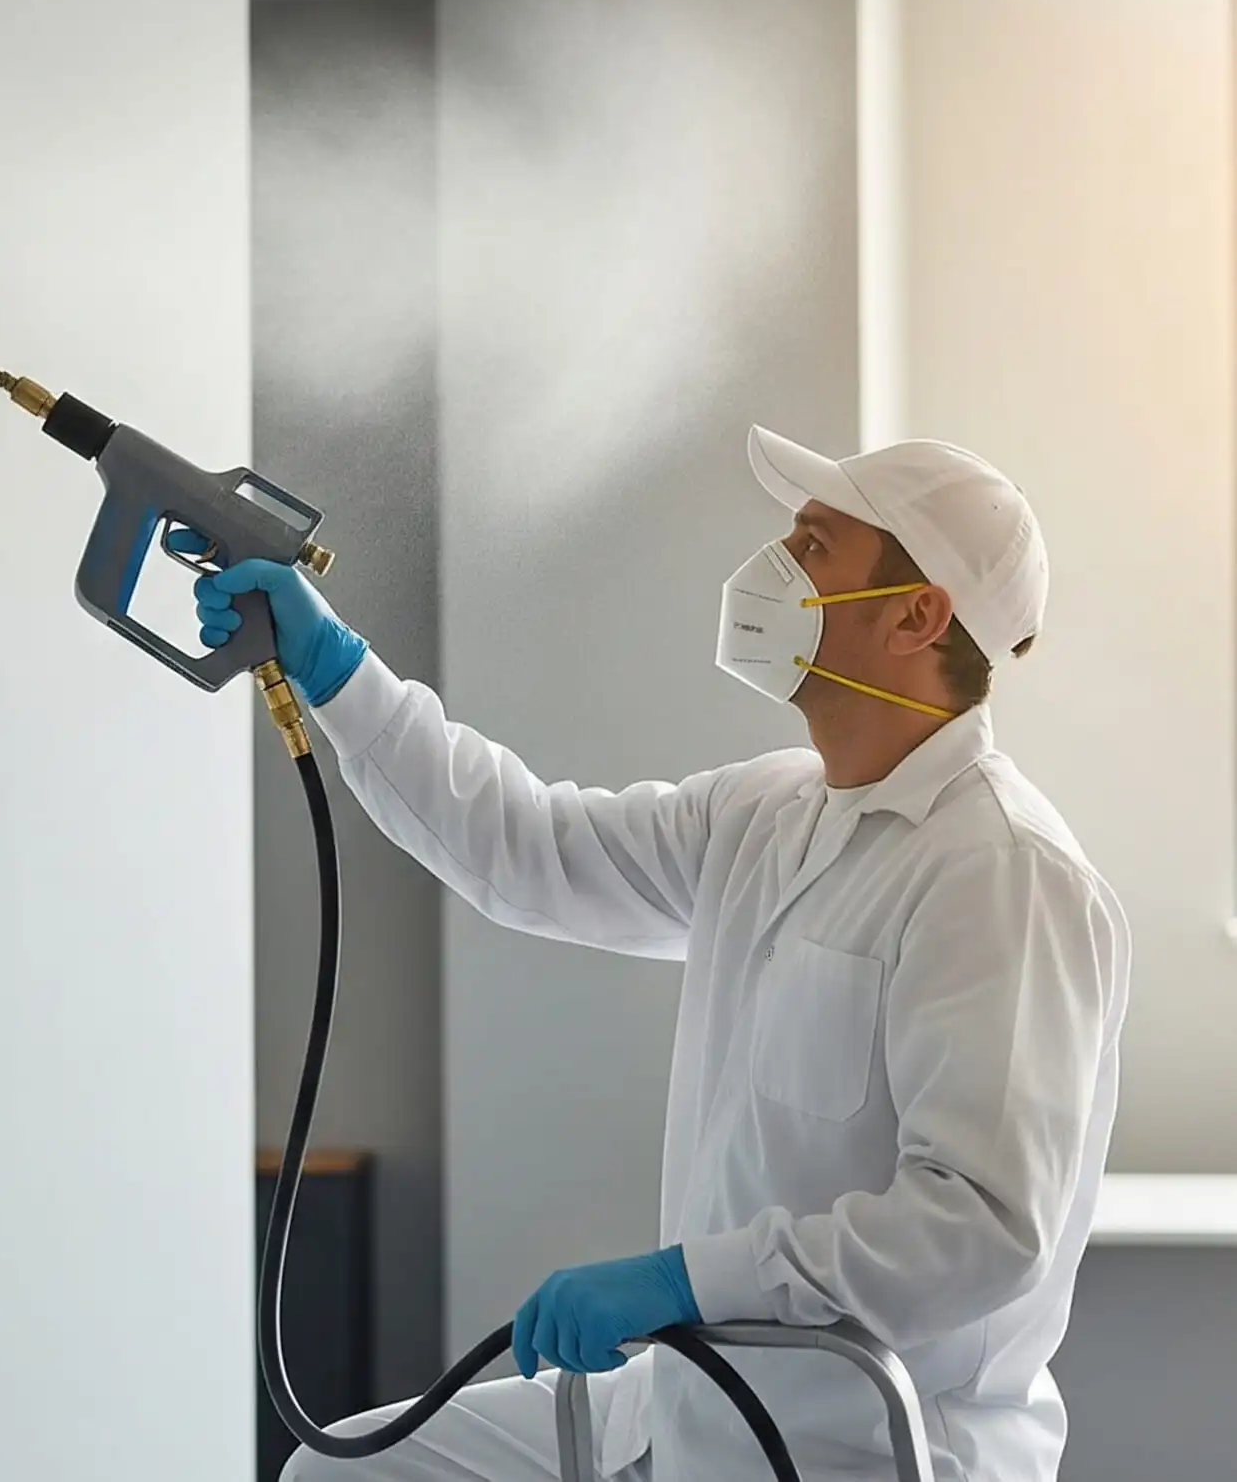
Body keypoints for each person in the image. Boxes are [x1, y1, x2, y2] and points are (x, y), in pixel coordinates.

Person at [180, 425, 1131, 1482]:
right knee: (345, 1470)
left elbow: (980, 1229)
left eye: (815, 547)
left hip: (862, 1443)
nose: (774, 568)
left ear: (916, 617)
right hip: (695, 1404)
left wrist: (685, 1282)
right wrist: (337, 670)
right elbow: (530, 850)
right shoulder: (767, 811)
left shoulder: (1002, 872)